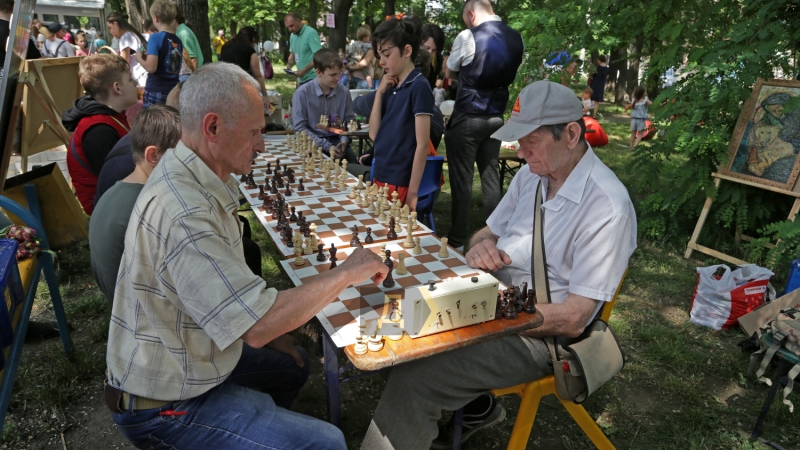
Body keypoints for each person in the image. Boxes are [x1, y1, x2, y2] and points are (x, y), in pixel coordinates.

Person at [105, 62, 388, 450]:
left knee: (290, 366)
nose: (261, 143)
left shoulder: (189, 171)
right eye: (255, 131)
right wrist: (347, 272)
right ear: (213, 127)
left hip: (186, 349)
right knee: (327, 443)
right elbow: (256, 326)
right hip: (162, 402)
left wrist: (271, 332)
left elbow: (239, 310)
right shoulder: (185, 213)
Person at [360, 80, 637, 450]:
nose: (520, 153)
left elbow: (574, 318)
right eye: (518, 141)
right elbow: (484, 234)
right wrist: (478, 250)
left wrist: (487, 312)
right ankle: (475, 405)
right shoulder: (532, 175)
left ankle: (429, 409)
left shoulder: (607, 207)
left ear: (571, 134)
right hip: (492, 303)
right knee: (394, 317)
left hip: (538, 334)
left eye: (530, 141)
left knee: (417, 375)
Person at [444, 0, 523, 252]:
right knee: (490, 178)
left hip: (468, 114)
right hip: (496, 115)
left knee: (462, 179)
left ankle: (457, 240)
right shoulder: (516, 38)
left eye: (466, 19)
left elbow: (450, 72)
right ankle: (496, 235)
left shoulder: (468, 36)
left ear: (471, 14)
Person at [90, 105, 180, 303]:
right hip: (139, 314)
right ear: (153, 156)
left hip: (123, 302)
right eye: (182, 155)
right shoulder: (148, 206)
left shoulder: (118, 190)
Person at [366, 18, 434, 209]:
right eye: (380, 55)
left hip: (400, 183)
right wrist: (379, 93)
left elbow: (422, 145)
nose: (381, 62)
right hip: (380, 174)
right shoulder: (391, 85)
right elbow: (373, 134)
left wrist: (413, 192)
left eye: (386, 54)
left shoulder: (419, 86)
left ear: (407, 51)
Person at [62, 54, 138, 214]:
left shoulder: (109, 118)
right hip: (109, 212)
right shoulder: (99, 131)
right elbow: (117, 184)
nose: (136, 83)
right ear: (117, 88)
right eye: (130, 79)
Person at [291, 48, 358, 163]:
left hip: (337, 140)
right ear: (319, 72)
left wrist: (344, 140)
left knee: (355, 171)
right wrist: (327, 146)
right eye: (332, 75)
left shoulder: (344, 92)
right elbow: (299, 128)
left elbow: (349, 121)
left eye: (339, 73)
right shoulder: (302, 94)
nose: (338, 78)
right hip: (312, 143)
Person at [136, 0, 182, 108]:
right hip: (174, 90)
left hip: (156, 89)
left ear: (156, 18)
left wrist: (139, 58)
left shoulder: (155, 38)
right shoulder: (178, 40)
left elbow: (151, 68)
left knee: (153, 123)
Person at [219, 26, 270, 108]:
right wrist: (265, 95)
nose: (254, 44)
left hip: (224, 86)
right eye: (255, 42)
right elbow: (257, 75)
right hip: (241, 87)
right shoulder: (249, 49)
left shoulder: (226, 46)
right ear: (253, 39)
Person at [107, 13, 148, 88]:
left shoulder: (125, 38)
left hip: (141, 77)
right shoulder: (134, 34)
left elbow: (124, 63)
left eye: (110, 27)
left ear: (115, 24)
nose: (110, 32)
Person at [285, 12, 321, 85]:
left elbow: (319, 57)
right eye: (288, 27)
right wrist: (289, 66)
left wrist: (303, 71)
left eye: (292, 26)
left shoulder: (310, 33)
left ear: (298, 21)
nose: (290, 29)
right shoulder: (292, 35)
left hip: (313, 78)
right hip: (301, 78)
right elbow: (292, 54)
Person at [175, 7, 202, 81]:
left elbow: (193, 60)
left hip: (188, 77)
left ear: (174, 18)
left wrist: (193, 81)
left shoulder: (183, 33)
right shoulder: (179, 31)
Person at [346, 25, 374, 90]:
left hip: (354, 74)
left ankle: (349, 80)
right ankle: (370, 87)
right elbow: (363, 64)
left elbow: (350, 53)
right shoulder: (368, 46)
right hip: (363, 78)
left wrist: (349, 67)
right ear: (365, 37)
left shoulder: (354, 44)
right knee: (367, 74)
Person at [624, 85, 652, 150]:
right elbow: (652, 104)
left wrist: (627, 108)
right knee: (639, 134)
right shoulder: (645, 100)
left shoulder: (634, 100)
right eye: (645, 91)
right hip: (641, 120)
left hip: (633, 120)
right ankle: (635, 147)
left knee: (633, 134)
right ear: (643, 93)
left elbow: (630, 106)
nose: (646, 92)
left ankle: (630, 147)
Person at [421, 23, 445, 88]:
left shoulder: (437, 61)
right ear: (421, 43)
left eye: (434, 50)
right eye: (427, 48)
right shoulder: (410, 58)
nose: (430, 52)